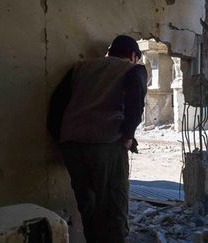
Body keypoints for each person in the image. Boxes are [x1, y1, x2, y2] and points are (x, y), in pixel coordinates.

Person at [48, 35, 147, 243]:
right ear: (132, 55)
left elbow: (57, 106)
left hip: (71, 147)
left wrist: (63, 138)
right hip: (106, 146)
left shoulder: (80, 68)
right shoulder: (132, 69)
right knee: (113, 209)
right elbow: (135, 105)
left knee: (89, 208)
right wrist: (128, 136)